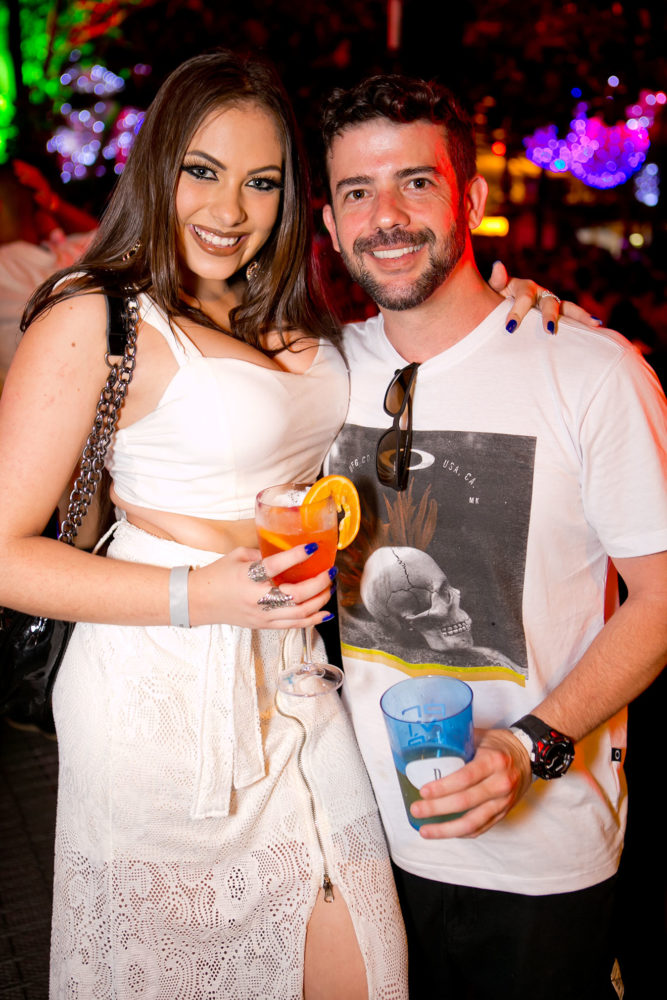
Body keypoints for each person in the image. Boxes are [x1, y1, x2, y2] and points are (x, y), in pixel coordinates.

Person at [0, 51, 411, 1000]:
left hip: (296, 682)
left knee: (365, 965)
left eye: (261, 182)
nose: (230, 210)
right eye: (202, 171)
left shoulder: (299, 310)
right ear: (156, 169)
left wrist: (524, 305)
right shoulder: (97, 313)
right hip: (159, 697)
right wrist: (202, 593)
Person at [320, 74, 667, 999]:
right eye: (357, 192)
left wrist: (527, 746)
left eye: (415, 183)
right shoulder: (318, 374)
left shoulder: (590, 372)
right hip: (352, 843)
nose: (385, 216)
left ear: (470, 197)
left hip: (536, 864)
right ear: (328, 221)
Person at [0, 161, 97, 385]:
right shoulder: (70, 254)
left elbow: (104, 235)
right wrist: (54, 203)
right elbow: (105, 236)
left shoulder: (61, 250)